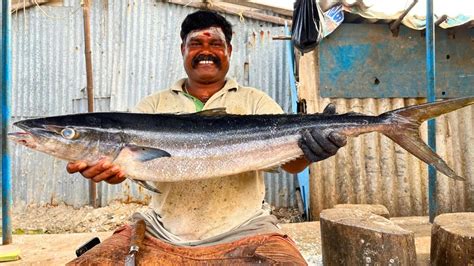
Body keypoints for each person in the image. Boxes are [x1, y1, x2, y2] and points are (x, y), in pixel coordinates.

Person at [67, 10, 346, 265]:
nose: (206, 52)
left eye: (215, 44)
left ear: (229, 51)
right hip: (161, 228)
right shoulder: (152, 107)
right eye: (196, 44)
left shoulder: (255, 102)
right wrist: (114, 173)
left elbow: (290, 165)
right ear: (183, 50)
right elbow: (127, 168)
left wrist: (310, 153)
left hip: (246, 227)